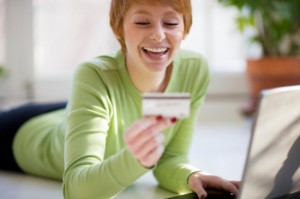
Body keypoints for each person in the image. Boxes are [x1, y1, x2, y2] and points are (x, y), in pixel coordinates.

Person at [0, 0, 239, 198]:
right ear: (119, 29)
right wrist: (135, 160)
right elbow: (76, 190)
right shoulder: (94, 75)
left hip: (75, 112)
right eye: (142, 22)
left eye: (171, 23)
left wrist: (190, 175)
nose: (158, 35)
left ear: (185, 29)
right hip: (25, 135)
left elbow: (170, 158)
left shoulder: (194, 71)